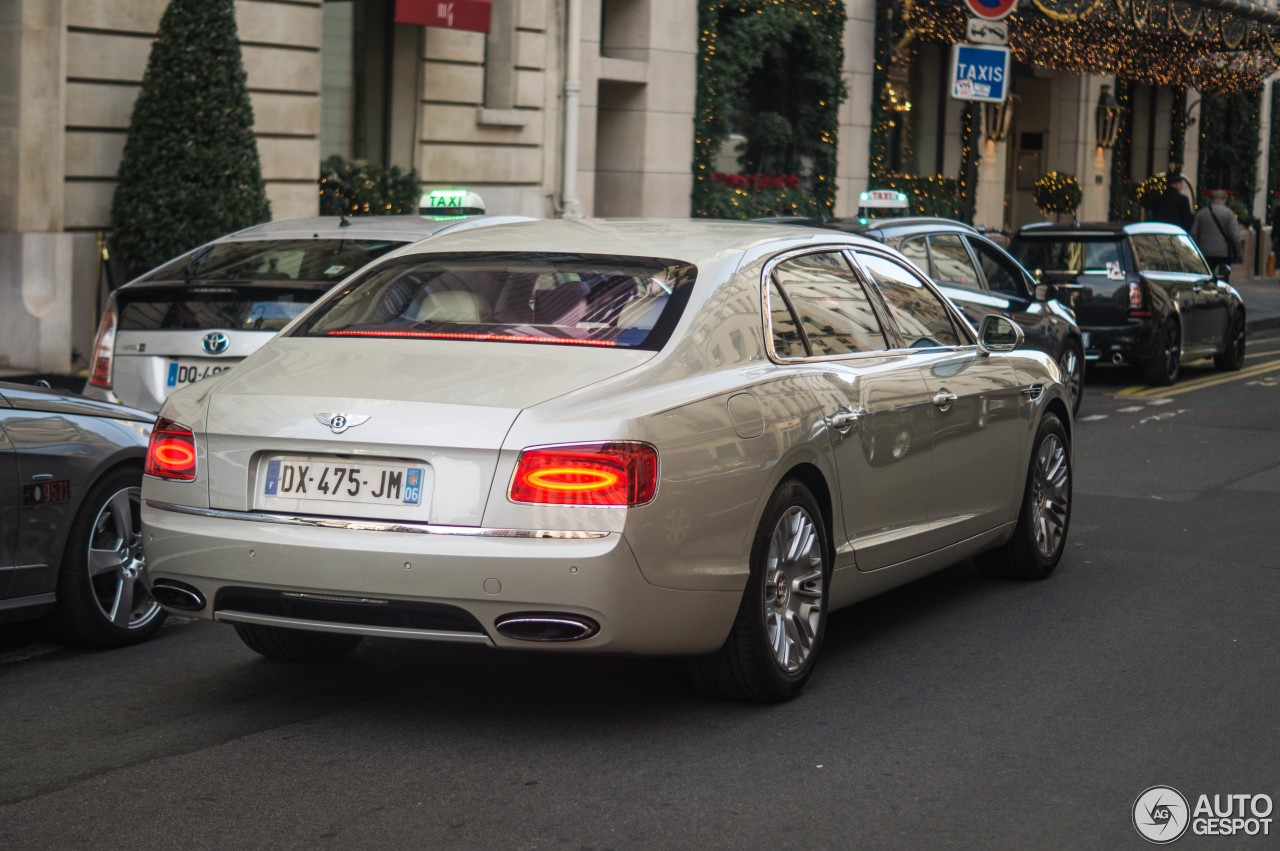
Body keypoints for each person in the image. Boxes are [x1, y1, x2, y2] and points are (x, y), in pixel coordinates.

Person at [1190, 189, 1244, 270]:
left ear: (1212, 199)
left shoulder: (1201, 213)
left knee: (1207, 277)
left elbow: (1193, 233)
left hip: (1204, 252)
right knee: (1221, 278)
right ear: (1224, 199)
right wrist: (1238, 254)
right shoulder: (1229, 213)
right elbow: (1235, 235)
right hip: (1223, 253)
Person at [1149, 165, 1193, 230]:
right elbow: (1187, 223)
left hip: (1160, 233)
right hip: (1176, 234)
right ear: (1177, 184)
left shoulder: (1157, 199)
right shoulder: (1182, 200)